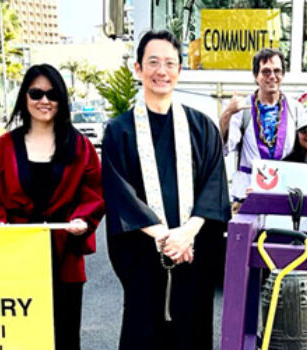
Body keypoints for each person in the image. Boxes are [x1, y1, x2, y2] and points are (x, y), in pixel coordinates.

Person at [101, 29, 231, 349]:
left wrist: (187, 233)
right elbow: (120, 195)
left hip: (192, 257)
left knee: (192, 334)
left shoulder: (203, 128)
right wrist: (165, 237)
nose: (162, 71)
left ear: (179, 70)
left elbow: (214, 188)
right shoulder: (119, 132)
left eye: (170, 63)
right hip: (144, 260)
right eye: (154, 62)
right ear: (138, 68)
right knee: (143, 335)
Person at [0, 64, 104, 350]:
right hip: (17, 252)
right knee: (21, 334)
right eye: (36, 93)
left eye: (52, 94)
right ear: (25, 97)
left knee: (65, 334)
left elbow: (93, 192)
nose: (44, 101)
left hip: (64, 251)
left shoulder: (80, 145)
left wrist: (83, 219)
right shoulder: (6, 146)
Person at [220, 48, 303, 205]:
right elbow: (225, 147)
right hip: (248, 193)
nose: (272, 76)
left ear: (283, 75)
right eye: (265, 72)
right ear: (255, 76)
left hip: (285, 193)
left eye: (277, 71)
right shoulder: (242, 108)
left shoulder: (295, 108)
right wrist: (227, 114)